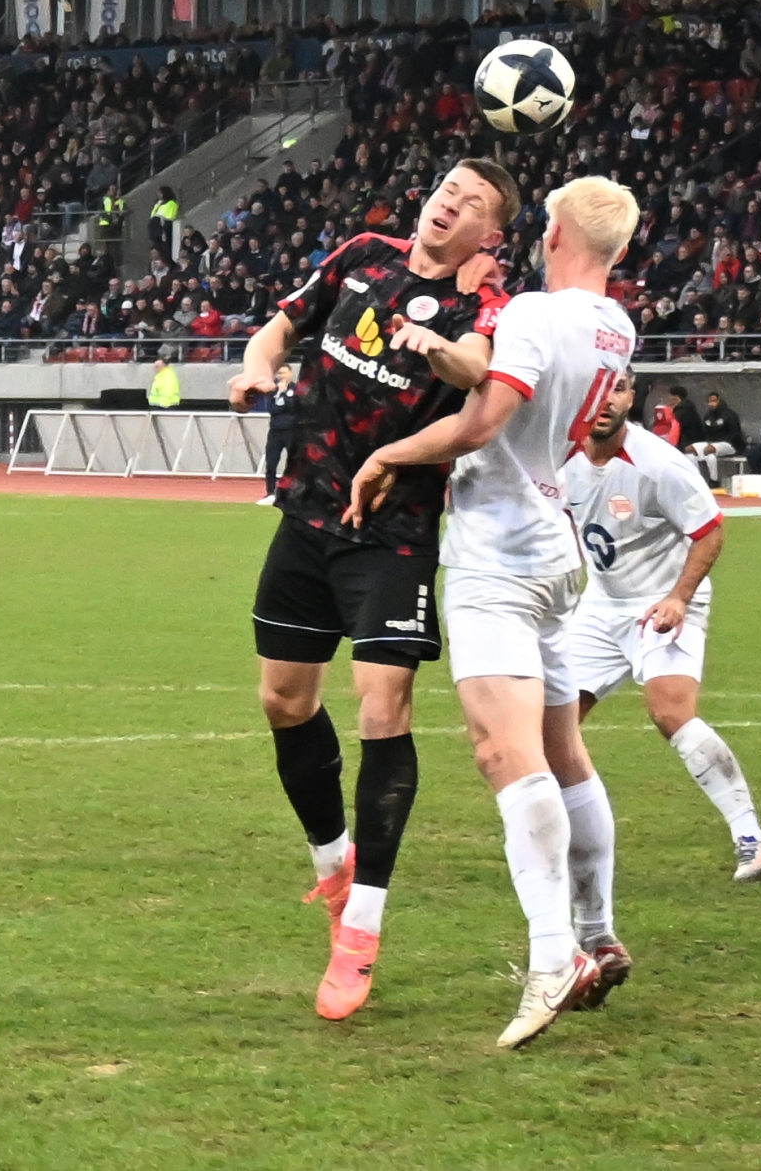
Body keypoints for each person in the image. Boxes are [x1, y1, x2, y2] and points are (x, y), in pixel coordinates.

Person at [342, 175, 641, 1049]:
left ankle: (554, 956)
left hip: (499, 554)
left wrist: (389, 453)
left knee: (503, 752)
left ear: (555, 236)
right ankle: (598, 933)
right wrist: (466, 327)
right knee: (563, 750)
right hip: (556, 545)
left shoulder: (536, 316)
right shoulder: (615, 324)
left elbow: (480, 422)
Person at [223, 158, 513, 1025]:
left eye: (470, 202)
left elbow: (476, 370)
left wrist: (439, 350)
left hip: (392, 531)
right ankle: (334, 866)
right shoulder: (362, 255)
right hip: (306, 513)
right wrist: (257, 367)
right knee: (283, 700)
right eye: (447, 188)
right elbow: (279, 329)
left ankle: (363, 929)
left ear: (490, 232)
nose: (449, 203)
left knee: (382, 708)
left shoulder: (485, 302)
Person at [565, 371, 761, 880]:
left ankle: (753, 840)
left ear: (632, 397)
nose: (606, 400)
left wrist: (678, 598)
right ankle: (566, 840)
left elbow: (709, 532)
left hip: (662, 602)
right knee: (551, 725)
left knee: (670, 714)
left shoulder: (659, 464)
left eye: (618, 389)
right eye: (596, 388)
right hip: (601, 603)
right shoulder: (561, 453)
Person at [685, 390, 744, 487]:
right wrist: (707, 442)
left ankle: (714, 480)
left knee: (710, 449)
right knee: (690, 450)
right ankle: (696, 478)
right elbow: (705, 433)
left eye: (714, 401)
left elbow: (735, 434)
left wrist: (715, 443)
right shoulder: (707, 417)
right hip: (710, 443)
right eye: (709, 401)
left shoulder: (730, 415)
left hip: (729, 444)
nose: (711, 404)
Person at [259, 363, 297, 506]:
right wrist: (280, 394)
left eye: (284, 373)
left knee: (293, 463)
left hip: (291, 431)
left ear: (290, 373)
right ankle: (270, 492)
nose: (282, 376)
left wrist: (284, 397)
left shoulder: (296, 389)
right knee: (271, 463)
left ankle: (293, 493)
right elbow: (272, 409)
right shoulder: (272, 390)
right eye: (279, 373)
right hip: (275, 432)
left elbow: (293, 406)